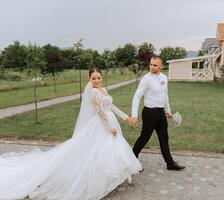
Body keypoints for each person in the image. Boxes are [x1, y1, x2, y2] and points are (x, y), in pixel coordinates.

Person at [0, 68, 142, 200]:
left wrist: (126, 117)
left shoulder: (103, 89)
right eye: (93, 78)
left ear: (102, 77)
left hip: (111, 122)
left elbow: (111, 107)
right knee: (101, 149)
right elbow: (100, 112)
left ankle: (114, 176)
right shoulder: (93, 92)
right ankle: (102, 178)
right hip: (102, 124)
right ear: (89, 79)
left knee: (111, 148)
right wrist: (110, 127)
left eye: (99, 78)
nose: (97, 81)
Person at [129, 55, 185, 171]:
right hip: (149, 112)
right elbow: (137, 97)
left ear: (161, 66)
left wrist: (168, 111)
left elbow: (165, 96)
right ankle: (131, 160)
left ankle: (170, 163)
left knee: (164, 138)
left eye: (155, 65)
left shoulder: (164, 77)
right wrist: (134, 115)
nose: (152, 67)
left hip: (160, 113)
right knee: (145, 137)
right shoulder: (146, 79)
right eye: (151, 64)